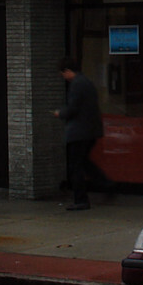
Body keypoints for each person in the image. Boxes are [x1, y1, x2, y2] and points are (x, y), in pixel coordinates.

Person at [54, 57, 113, 210]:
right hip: (90, 130)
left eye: (63, 74)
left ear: (68, 71)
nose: (63, 78)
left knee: (76, 166)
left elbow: (73, 108)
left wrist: (60, 113)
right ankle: (105, 183)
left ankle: (81, 199)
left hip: (79, 132)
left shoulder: (76, 85)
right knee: (84, 162)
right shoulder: (86, 82)